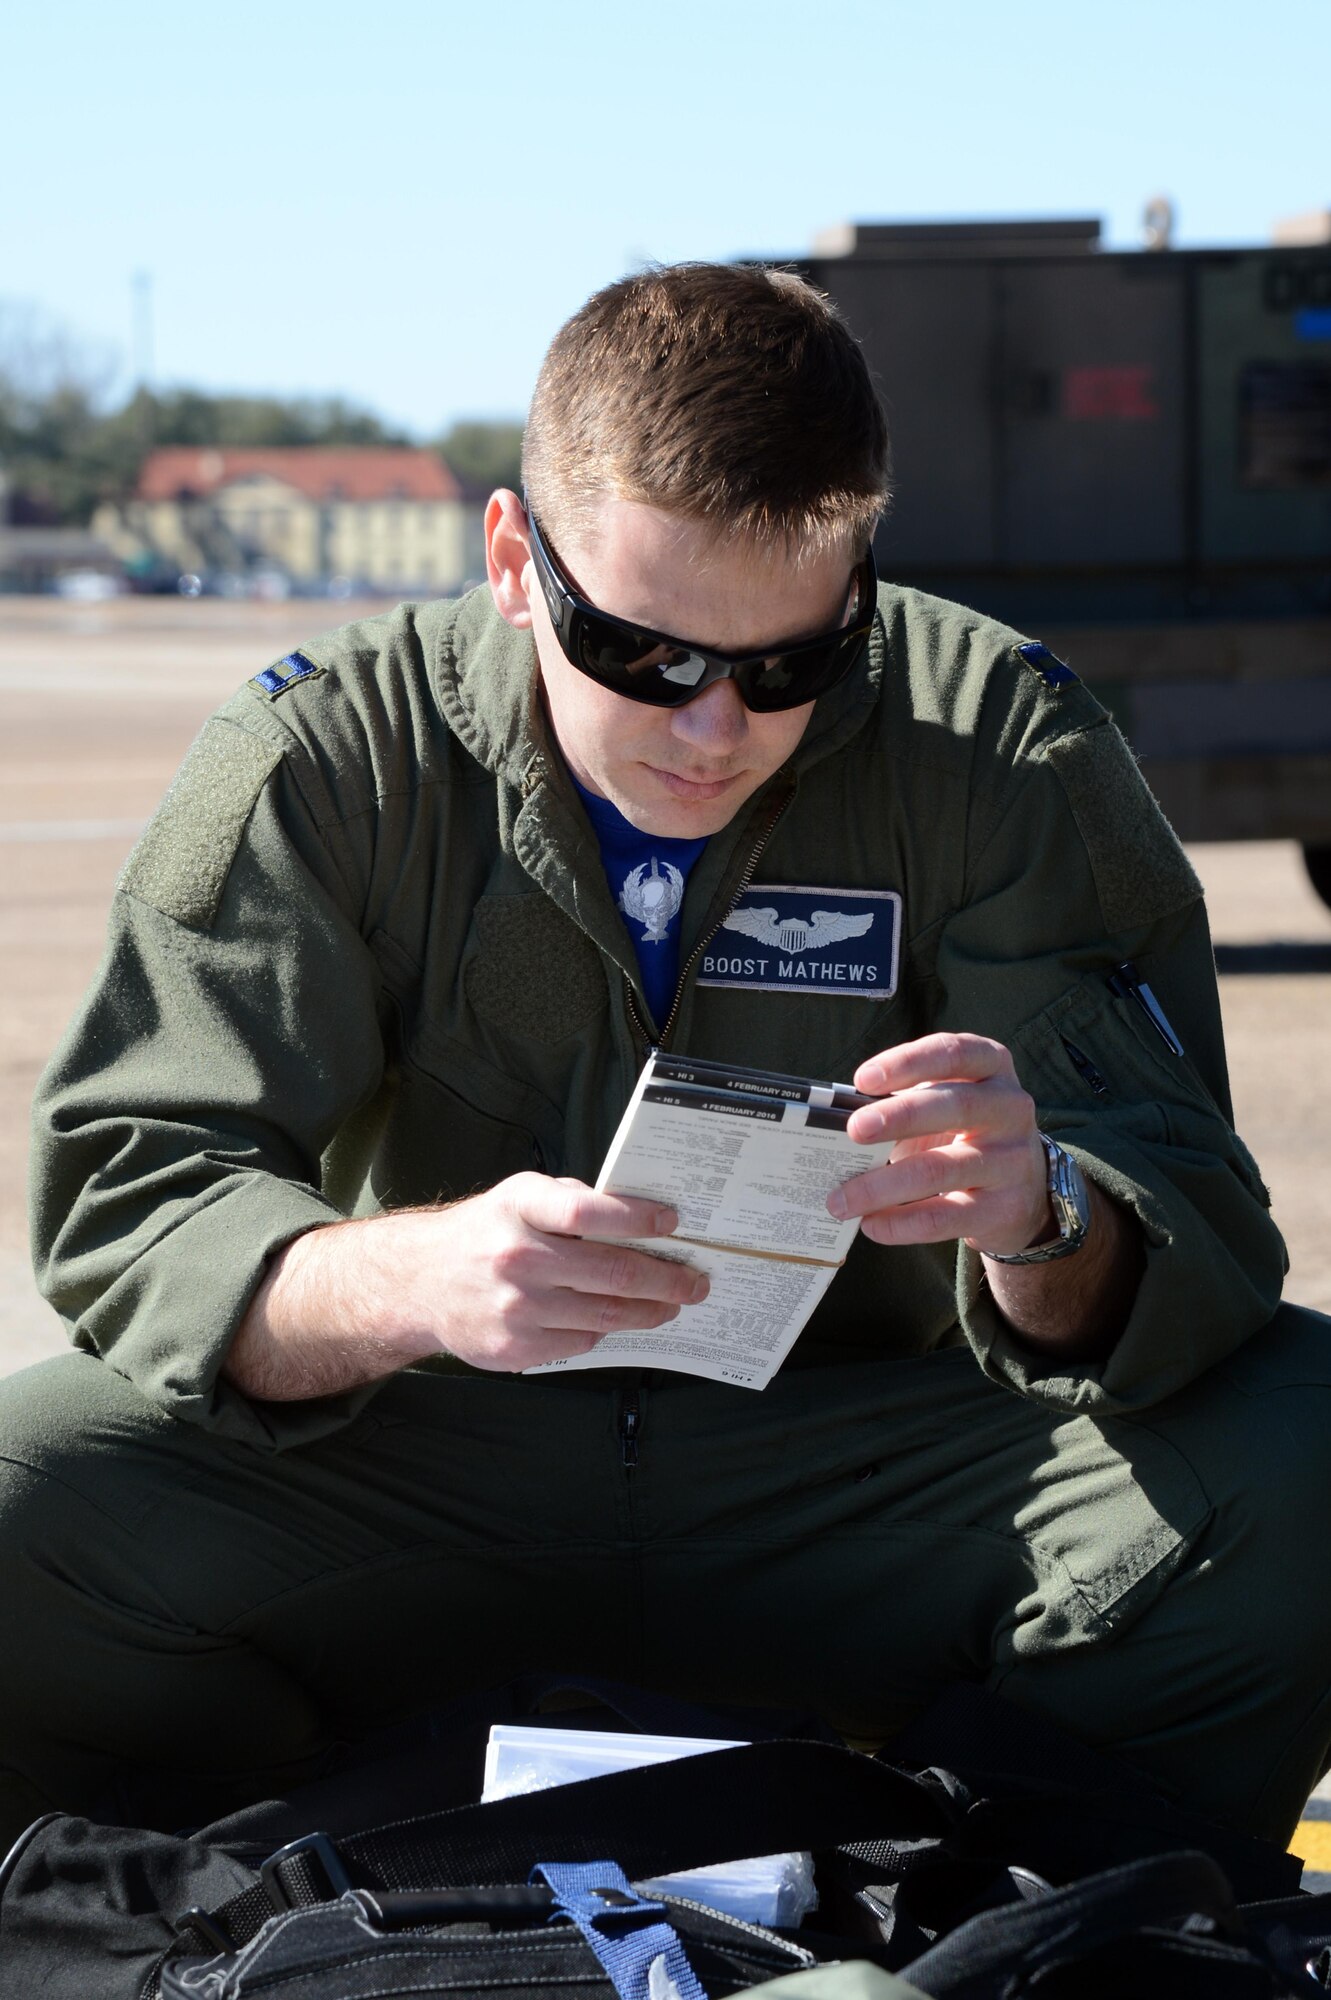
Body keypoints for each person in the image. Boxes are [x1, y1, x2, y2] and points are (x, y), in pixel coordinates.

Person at [3, 263, 1328, 1857]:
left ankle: (1012, 1897)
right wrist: (414, 1282)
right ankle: (236, 1900)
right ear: (514, 560)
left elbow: (1198, 1229)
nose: (716, 727)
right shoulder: (327, 755)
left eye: (789, 665)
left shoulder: (998, 744)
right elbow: (132, 1202)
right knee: (28, 1497)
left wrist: (1044, 1223)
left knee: (1300, 1453)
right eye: (648, 657)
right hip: (420, 1466)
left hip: (860, 1474)